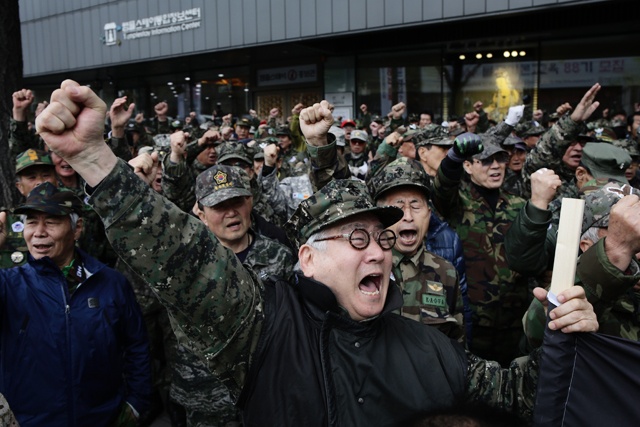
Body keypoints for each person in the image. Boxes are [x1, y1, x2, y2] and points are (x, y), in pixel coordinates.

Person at [34, 81, 598, 426]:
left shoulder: (429, 348)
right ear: (306, 258)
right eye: (355, 238)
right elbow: (181, 255)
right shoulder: (261, 325)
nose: (376, 249)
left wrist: (569, 338)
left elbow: (521, 393)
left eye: (380, 237)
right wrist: (94, 161)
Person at [0, 182, 150, 426]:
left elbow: (136, 346)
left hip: (104, 419)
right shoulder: (9, 285)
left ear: (77, 228)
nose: (38, 232)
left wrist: (135, 404)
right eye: (31, 221)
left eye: (51, 222)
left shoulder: (110, 283)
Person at [370, 158, 465, 341]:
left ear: (429, 214)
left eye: (416, 206)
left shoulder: (446, 272)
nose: (408, 216)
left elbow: (457, 347)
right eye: (398, 207)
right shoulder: (366, 268)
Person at [0, 149, 58, 268]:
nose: (40, 182)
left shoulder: (73, 215)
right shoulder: (7, 221)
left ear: (56, 180)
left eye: (46, 175)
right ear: (20, 187)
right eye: (32, 177)